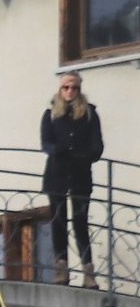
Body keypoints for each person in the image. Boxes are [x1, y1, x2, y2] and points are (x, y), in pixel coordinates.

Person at [42, 71, 105, 287]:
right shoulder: (50, 114)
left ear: (79, 89)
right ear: (60, 89)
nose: (69, 91)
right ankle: (61, 270)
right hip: (56, 175)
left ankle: (88, 272)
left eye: (74, 87)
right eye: (65, 87)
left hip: (80, 175)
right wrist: (59, 150)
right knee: (58, 221)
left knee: (80, 222)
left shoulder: (89, 114)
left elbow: (98, 146)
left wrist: (84, 155)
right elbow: (46, 143)